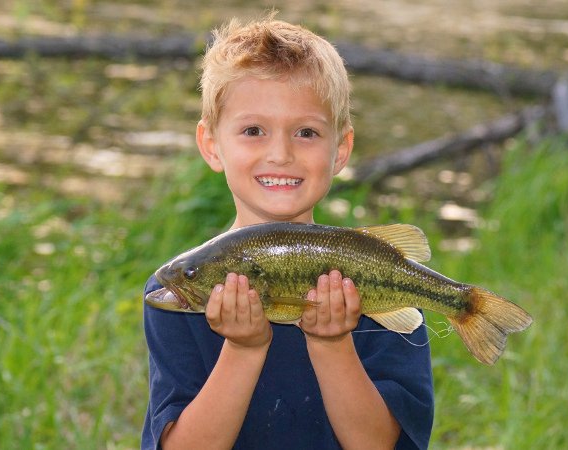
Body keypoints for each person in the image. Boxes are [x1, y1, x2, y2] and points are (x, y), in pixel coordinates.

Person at [141, 15, 434, 450]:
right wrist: (242, 349)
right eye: (253, 130)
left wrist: (333, 343)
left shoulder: (378, 276)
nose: (280, 153)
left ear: (340, 151)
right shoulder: (177, 295)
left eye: (307, 132)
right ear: (211, 145)